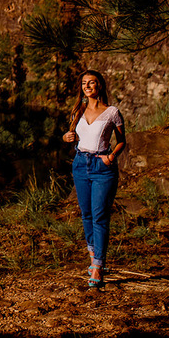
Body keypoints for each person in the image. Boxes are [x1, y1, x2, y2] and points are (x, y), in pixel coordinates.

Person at [62, 69, 126, 288]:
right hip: (80, 164)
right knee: (86, 214)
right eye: (84, 83)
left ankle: (98, 266)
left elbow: (122, 140)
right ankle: (93, 258)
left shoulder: (112, 112)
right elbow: (73, 136)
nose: (87, 86)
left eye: (92, 83)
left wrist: (111, 156)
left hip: (102, 167)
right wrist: (66, 136)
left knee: (99, 216)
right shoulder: (77, 111)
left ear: (100, 86)